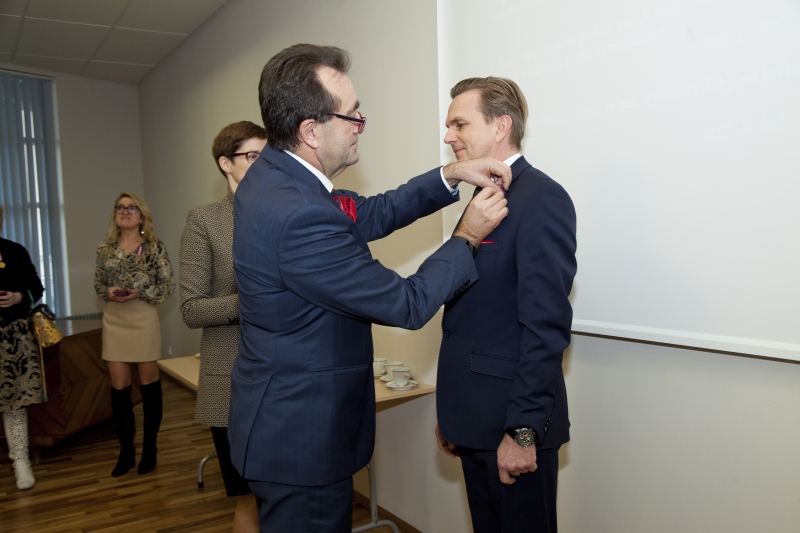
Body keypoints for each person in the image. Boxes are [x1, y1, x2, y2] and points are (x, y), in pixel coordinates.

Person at [228, 43, 511, 532]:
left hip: (281, 419)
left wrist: (450, 175)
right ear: (311, 130)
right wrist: (466, 236)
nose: (361, 124)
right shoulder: (299, 213)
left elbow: (371, 212)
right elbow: (407, 303)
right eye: (352, 115)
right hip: (302, 439)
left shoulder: (275, 176)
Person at [434, 77, 577, 533]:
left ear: (501, 126)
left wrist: (522, 431)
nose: (449, 136)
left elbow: (545, 326)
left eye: (460, 124)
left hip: (512, 429)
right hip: (473, 421)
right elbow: (472, 316)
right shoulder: (481, 197)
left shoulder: (541, 198)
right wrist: (454, 414)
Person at [180, 121, 266, 533]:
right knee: (249, 498)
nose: (264, 165)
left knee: (285, 496)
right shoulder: (205, 221)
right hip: (231, 381)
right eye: (252, 156)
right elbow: (192, 309)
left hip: (285, 379)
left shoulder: (285, 215)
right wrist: (253, 301)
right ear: (225, 163)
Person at [94, 193, 174, 477]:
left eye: (131, 208)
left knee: (149, 383)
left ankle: (150, 449)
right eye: (120, 207)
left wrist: (140, 292)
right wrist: (108, 291)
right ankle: (126, 450)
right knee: (119, 386)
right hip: (115, 320)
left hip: (143, 319)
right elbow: (98, 284)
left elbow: (167, 286)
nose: (125, 212)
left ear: (141, 216)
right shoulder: (105, 248)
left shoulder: (154, 246)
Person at [0, 205, 44, 490]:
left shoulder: (15, 251)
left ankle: (21, 461)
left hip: (14, 339)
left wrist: (18, 297)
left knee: (14, 403)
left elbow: (36, 289)